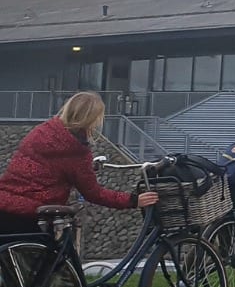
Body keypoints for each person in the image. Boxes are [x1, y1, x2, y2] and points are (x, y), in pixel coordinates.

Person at [0, 92, 160, 230]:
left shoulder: (42, 131)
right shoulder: (76, 151)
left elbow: (47, 169)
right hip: (34, 214)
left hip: (5, 204)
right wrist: (133, 200)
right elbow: (93, 193)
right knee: (58, 262)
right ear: (93, 120)